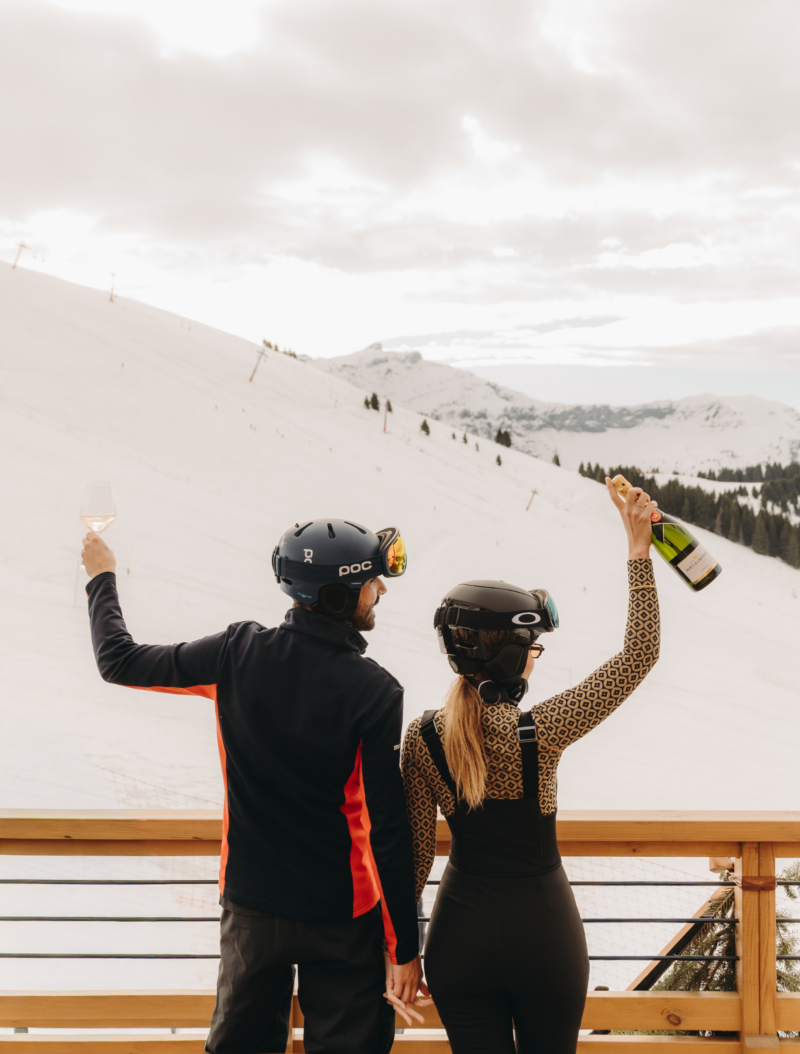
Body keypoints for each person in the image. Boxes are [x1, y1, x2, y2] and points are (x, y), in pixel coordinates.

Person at [82, 518, 427, 1054]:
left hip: (252, 910)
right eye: (370, 583)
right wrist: (405, 946)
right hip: (342, 915)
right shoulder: (375, 691)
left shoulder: (234, 654)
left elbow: (118, 660)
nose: (380, 591)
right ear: (336, 596)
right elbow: (387, 828)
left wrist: (101, 577)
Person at [400, 480, 661, 1054]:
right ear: (515, 656)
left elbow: (415, 862)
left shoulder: (421, 738)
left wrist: (400, 955)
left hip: (458, 942)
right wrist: (638, 554)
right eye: (532, 649)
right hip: (545, 939)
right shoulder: (541, 732)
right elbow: (639, 655)